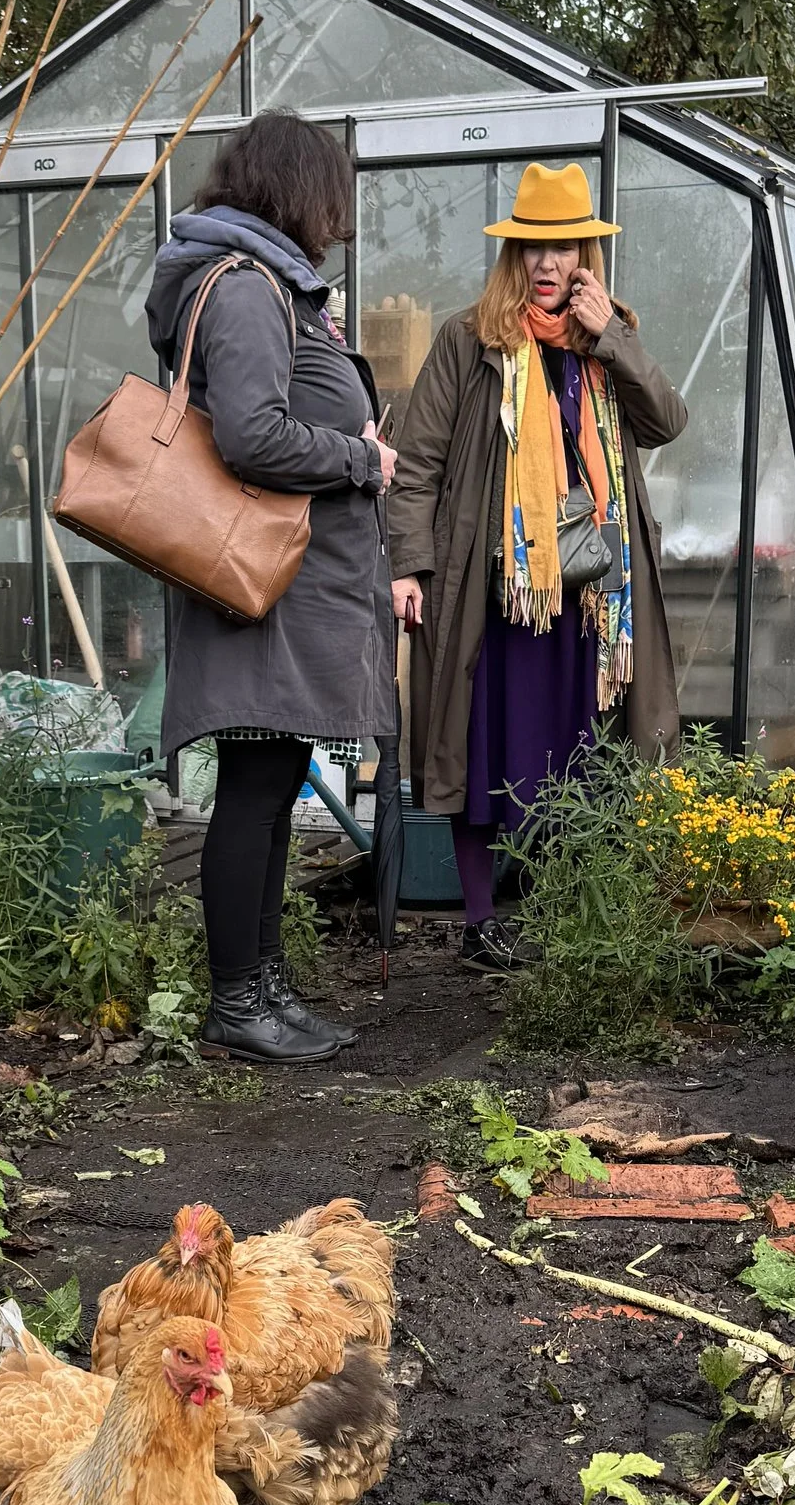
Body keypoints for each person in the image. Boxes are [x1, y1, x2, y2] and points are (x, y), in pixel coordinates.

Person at [386, 163, 688, 968]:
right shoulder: (468, 340)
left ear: (586, 252)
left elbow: (667, 421)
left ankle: (569, 917)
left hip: (593, 594)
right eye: (531, 247)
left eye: (563, 246)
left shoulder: (606, 340)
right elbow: (416, 465)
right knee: (483, 741)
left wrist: (614, 337)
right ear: (512, 256)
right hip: (500, 590)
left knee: (582, 744)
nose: (548, 263)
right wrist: (409, 565)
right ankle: (481, 921)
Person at [144, 111, 396, 1064]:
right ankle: (239, 1001)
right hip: (260, 579)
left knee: (274, 773)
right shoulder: (248, 288)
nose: (336, 219)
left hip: (278, 578)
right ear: (297, 193)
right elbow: (253, 434)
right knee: (256, 783)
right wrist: (360, 460)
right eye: (329, 198)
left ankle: (262, 987)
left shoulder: (263, 282)